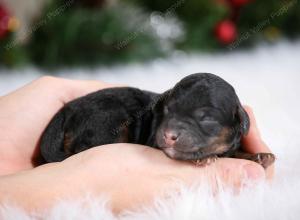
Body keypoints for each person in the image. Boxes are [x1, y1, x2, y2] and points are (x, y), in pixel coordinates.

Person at [0, 76, 274, 213]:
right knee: (108, 117)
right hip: (93, 117)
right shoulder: (141, 118)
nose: (170, 131)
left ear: (240, 124)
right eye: (170, 112)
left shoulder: (235, 129)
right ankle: (75, 152)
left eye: (205, 120)